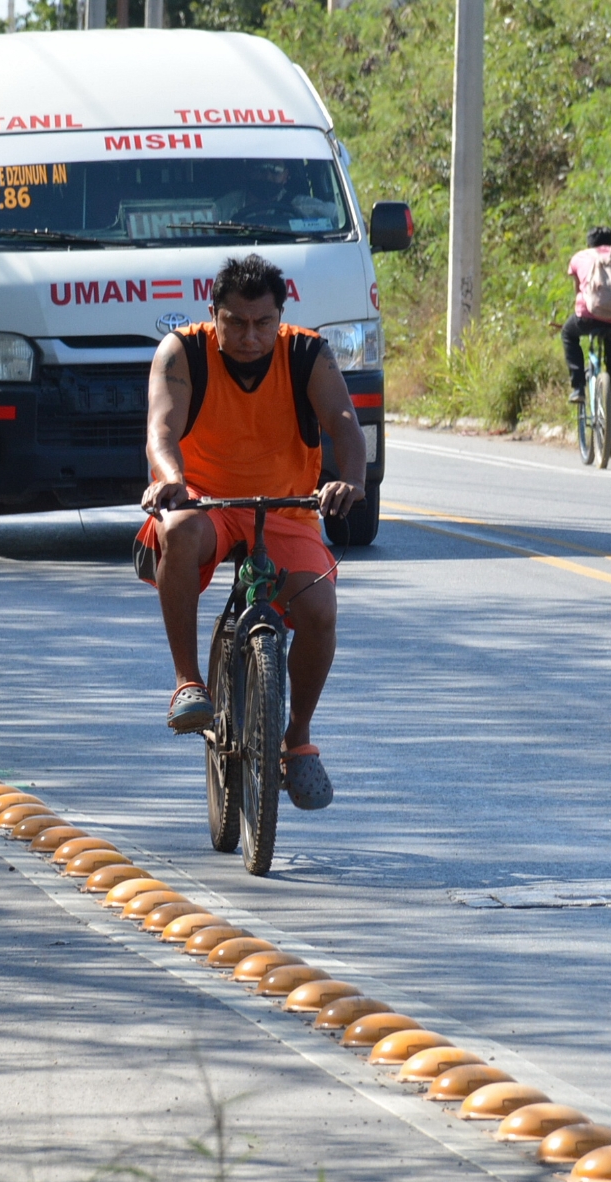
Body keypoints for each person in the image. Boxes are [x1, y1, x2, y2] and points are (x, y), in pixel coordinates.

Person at [137, 254, 366, 811]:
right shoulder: (181, 352)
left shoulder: (306, 352)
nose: (249, 336)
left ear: (280, 317)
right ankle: (189, 681)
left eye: (263, 323)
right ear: (212, 315)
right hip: (206, 501)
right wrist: (171, 481)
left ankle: (298, 736)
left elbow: (343, 424)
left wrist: (351, 481)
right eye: (235, 322)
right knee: (180, 533)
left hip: (286, 510)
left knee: (320, 610)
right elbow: (161, 429)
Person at [562, 225, 611, 456]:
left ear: (589, 243)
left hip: (587, 318)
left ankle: (578, 386)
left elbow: (578, 292)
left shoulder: (580, 258)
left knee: (568, 334)